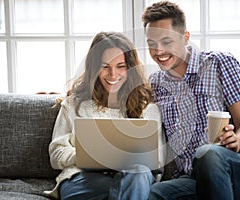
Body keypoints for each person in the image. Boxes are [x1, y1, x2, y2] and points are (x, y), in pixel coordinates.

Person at [141, 1, 240, 199]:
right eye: (151, 44)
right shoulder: (156, 83)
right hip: (193, 178)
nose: (158, 51)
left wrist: (236, 141)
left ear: (185, 38)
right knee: (153, 193)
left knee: (208, 153)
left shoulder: (219, 63)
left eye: (166, 42)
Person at [43, 32, 162, 200]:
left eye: (121, 66)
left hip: (134, 179)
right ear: (94, 68)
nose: (113, 74)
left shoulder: (148, 108)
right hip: (84, 179)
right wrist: (87, 156)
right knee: (132, 191)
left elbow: (158, 161)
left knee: (138, 174)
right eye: (105, 66)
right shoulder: (74, 105)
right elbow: (56, 154)